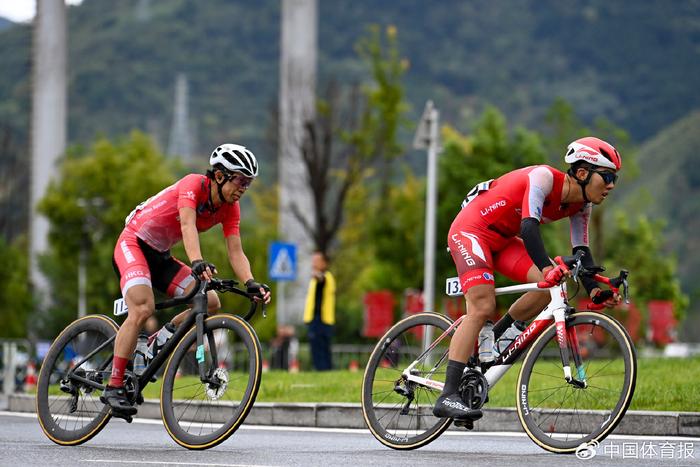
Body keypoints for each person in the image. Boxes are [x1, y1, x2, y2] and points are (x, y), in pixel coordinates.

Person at [433, 137, 623, 422]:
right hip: (471, 230)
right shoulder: (543, 178)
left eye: (614, 179)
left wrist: (595, 289)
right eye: (607, 177)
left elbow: (581, 253)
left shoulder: (581, 206)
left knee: (550, 288)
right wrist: (548, 267)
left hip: (503, 240)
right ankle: (447, 394)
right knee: (483, 305)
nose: (610, 185)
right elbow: (529, 227)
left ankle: (494, 340)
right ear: (582, 173)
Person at [104, 143, 272, 417]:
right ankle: (113, 385)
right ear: (220, 176)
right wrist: (196, 261)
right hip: (133, 243)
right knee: (143, 308)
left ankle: (158, 342)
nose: (244, 188)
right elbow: (186, 225)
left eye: (248, 183)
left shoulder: (231, 208)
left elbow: (235, 250)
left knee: (211, 302)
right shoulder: (193, 184)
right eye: (240, 180)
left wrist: (250, 281)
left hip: (160, 256)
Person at [303, 251, 336, 371]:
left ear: (324, 263)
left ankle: (323, 370)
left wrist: (317, 275)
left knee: (320, 349)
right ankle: (325, 371)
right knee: (320, 348)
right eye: (313, 261)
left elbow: (321, 279)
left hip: (321, 320)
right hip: (316, 319)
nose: (314, 264)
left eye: (317, 261)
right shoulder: (314, 280)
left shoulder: (326, 277)